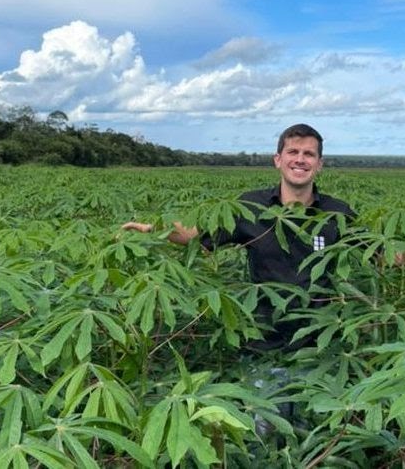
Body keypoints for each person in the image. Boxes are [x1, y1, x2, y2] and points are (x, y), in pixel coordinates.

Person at [122, 123, 356, 348]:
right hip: (262, 337)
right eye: (293, 151)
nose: (300, 159)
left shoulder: (337, 212)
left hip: (320, 343)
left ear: (319, 164)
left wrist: (392, 255)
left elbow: (374, 251)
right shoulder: (251, 205)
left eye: (309, 154)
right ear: (278, 160)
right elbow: (196, 234)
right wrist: (153, 228)